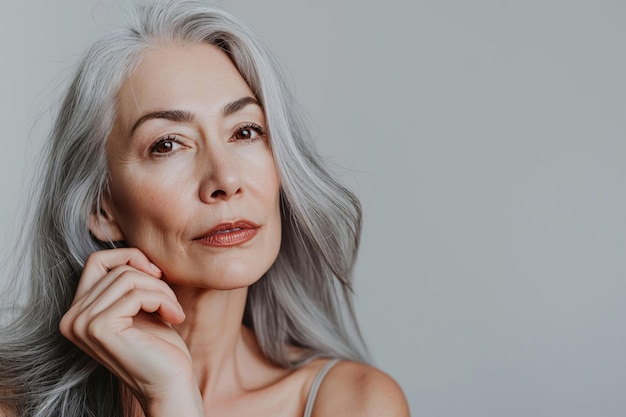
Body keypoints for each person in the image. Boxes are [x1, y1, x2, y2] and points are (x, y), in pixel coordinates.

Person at [0, 1, 409, 416]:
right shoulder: (11, 402)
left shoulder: (356, 402)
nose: (225, 180)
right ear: (101, 207)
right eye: (168, 144)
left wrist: (172, 400)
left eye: (246, 132)